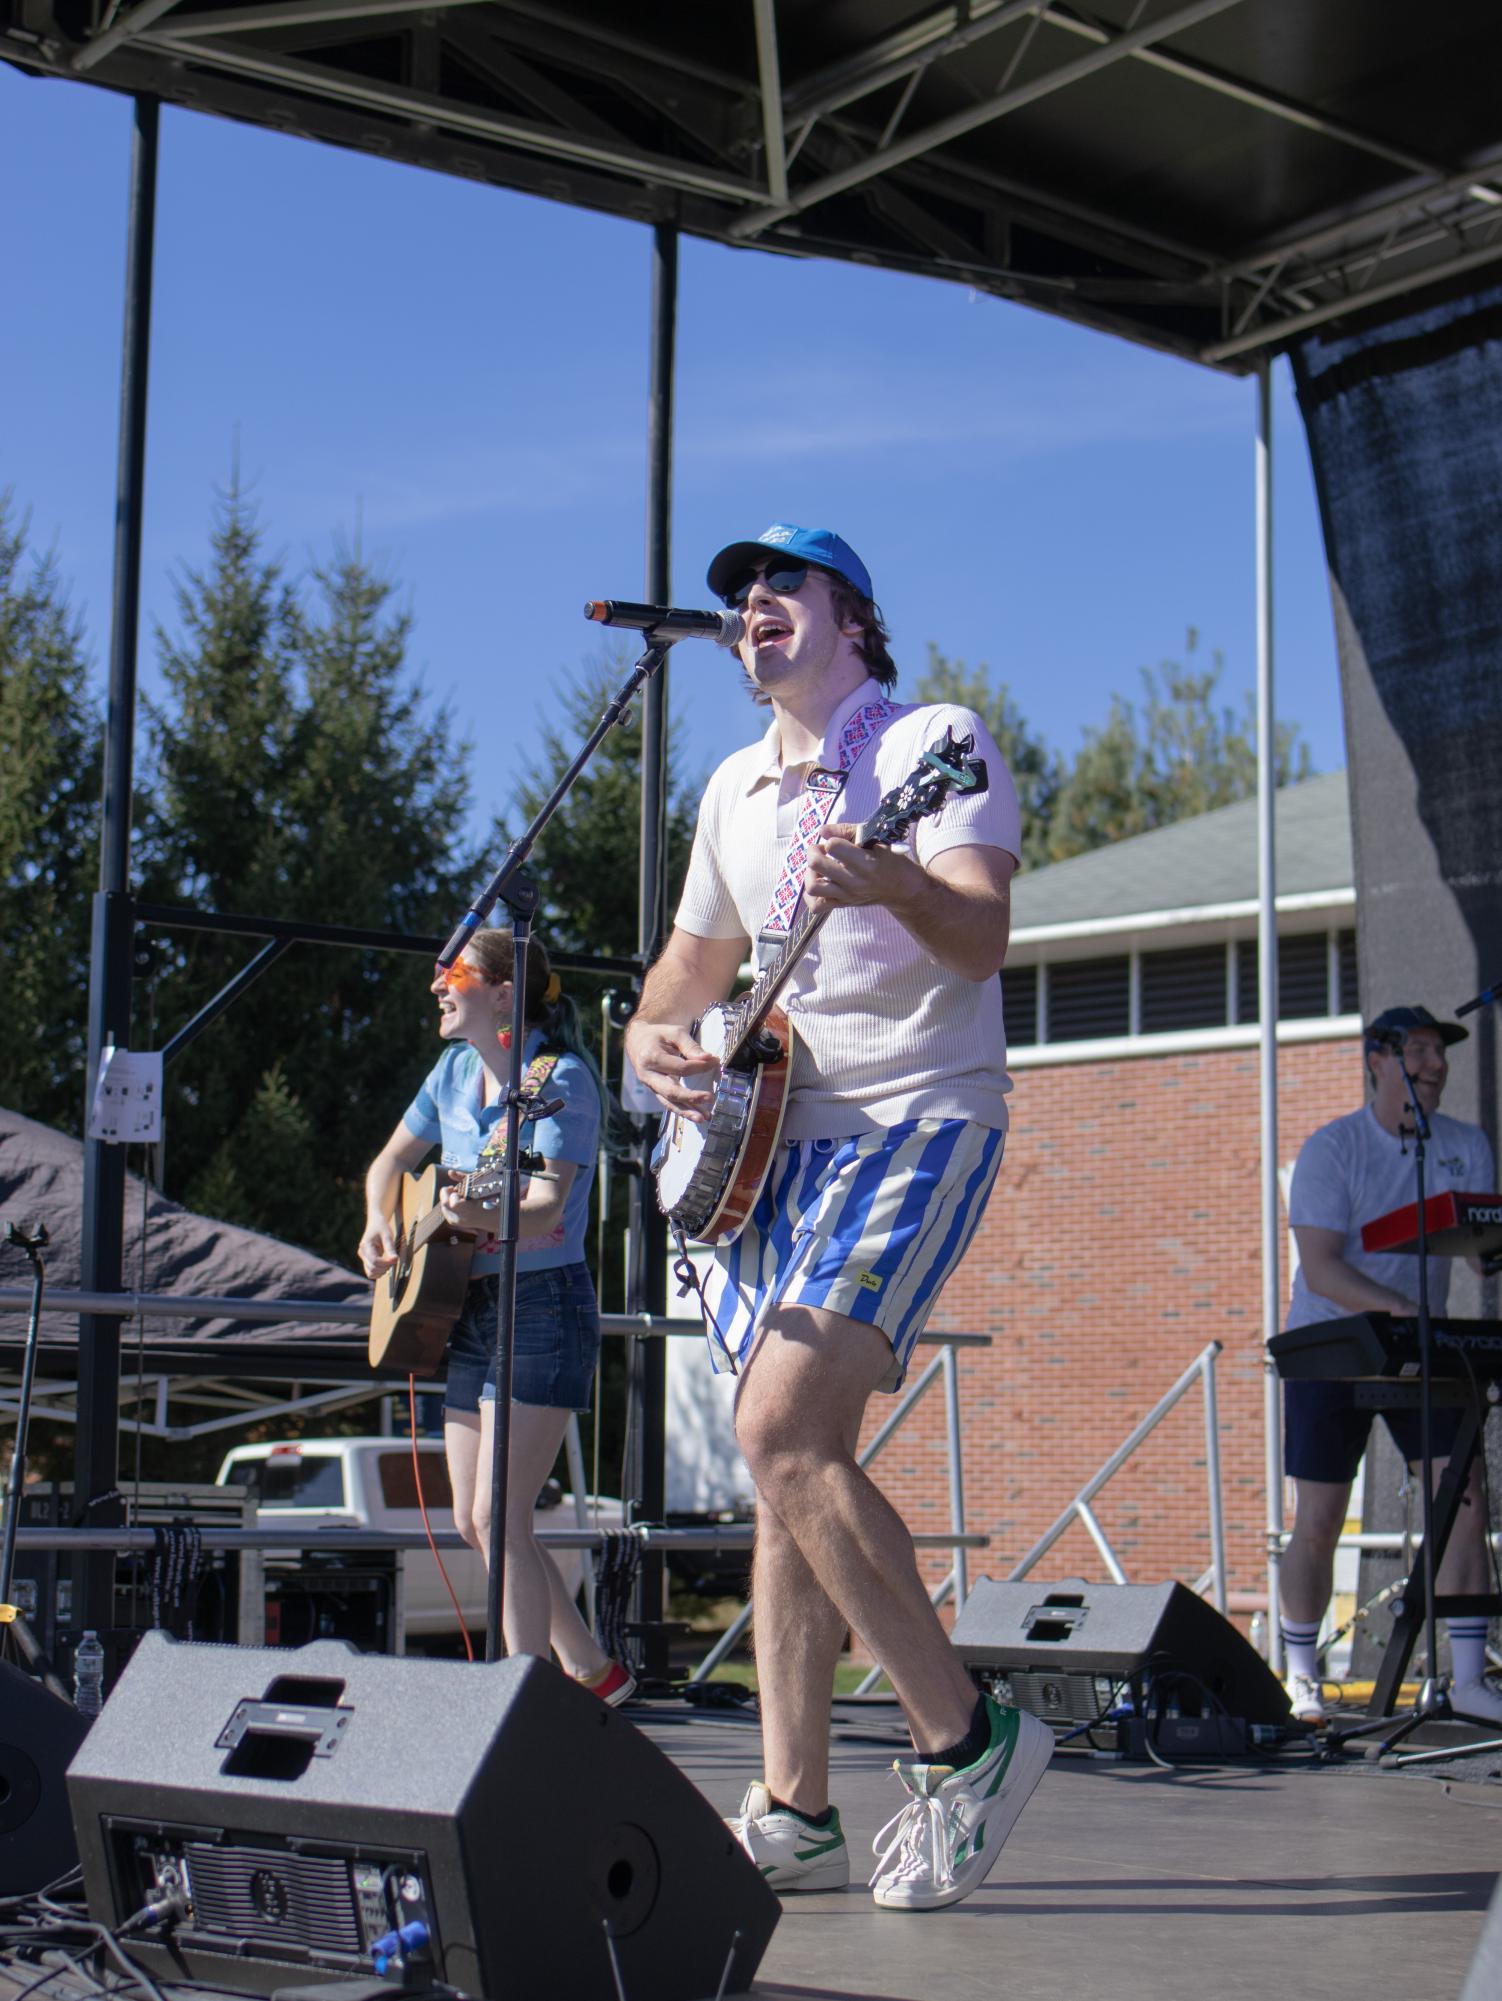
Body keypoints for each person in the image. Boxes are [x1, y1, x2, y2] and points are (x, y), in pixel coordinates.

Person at [624, 523, 1052, 1913]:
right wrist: (652, 1046)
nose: (751, 604)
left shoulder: (933, 738)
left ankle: (966, 1739)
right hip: (763, 1144)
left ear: (851, 617)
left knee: (778, 1428)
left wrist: (897, 880)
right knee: (784, 1466)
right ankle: (795, 1804)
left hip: (918, 1113)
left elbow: (981, 936)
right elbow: (679, 978)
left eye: (780, 585)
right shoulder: (735, 790)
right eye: (738, 595)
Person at [360, 929, 632, 1702]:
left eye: (454, 974)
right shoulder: (451, 1070)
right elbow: (387, 1166)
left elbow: (544, 1201)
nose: (438, 987)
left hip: (541, 1302)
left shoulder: (562, 1079)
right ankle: (591, 1668)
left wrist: (479, 1205)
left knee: (499, 1511)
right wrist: (380, 1221)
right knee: (474, 1521)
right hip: (467, 1302)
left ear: (506, 992)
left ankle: (526, 1696)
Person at [1280, 1003, 1500, 1724]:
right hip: (1331, 1346)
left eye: (1442, 1051)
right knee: (1319, 1517)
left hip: (1423, 1348)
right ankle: (1301, 1673)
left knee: (1464, 1498)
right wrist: (1398, 1310)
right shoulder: (1333, 1147)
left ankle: (1469, 1677)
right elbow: (1320, 1268)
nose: (1436, 1064)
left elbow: (1481, 1243)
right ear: (1377, 1058)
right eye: (1420, 1049)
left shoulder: (1464, 1143)